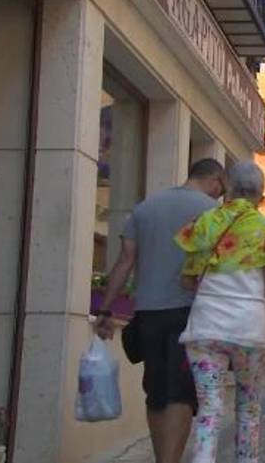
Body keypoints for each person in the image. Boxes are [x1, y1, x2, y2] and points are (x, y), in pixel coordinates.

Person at [94, 159, 226, 463]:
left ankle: (161, 459)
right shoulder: (214, 213)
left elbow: (124, 262)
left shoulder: (145, 208)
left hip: (148, 314)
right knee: (180, 393)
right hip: (190, 313)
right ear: (216, 181)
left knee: (155, 392)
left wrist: (104, 309)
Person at [175, 161, 265, 463]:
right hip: (249, 330)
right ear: (262, 196)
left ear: (226, 188)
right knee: (249, 407)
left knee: (209, 409)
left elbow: (187, 280)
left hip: (206, 327)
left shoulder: (204, 223)